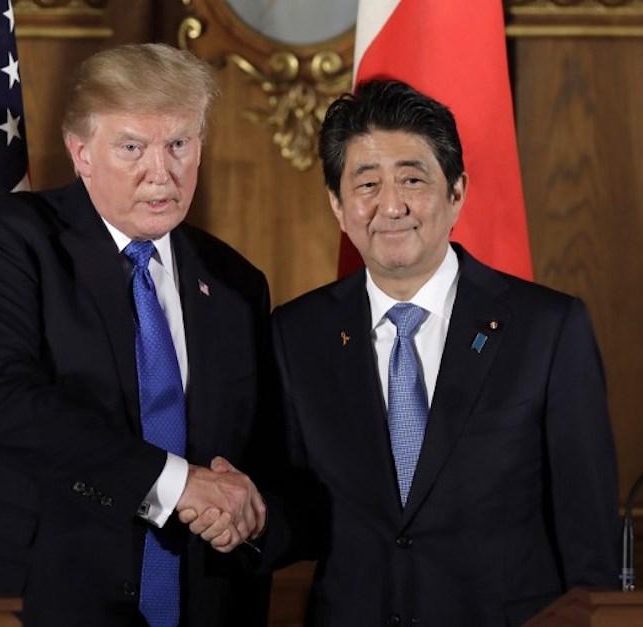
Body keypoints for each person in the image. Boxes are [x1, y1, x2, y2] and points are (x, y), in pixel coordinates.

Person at [0, 43, 273, 626]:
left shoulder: (235, 282)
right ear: (81, 154)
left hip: (198, 604)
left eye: (179, 144)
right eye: (131, 147)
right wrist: (176, 485)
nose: (161, 171)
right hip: (33, 602)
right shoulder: (4, 241)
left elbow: (259, 451)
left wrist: (242, 511)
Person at [259, 79, 619, 626]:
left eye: (412, 178)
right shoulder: (296, 333)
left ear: (456, 192)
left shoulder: (547, 329)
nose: (391, 205)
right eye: (367, 183)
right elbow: (295, 513)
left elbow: (588, 532)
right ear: (338, 205)